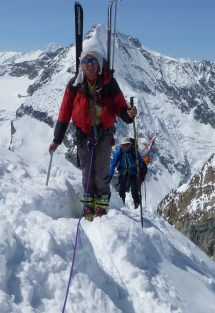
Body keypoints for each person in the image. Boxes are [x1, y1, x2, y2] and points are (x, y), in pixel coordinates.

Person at [49, 47, 138, 219]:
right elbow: (65, 112)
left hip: (103, 134)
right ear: (81, 64)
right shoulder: (74, 84)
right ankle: (89, 203)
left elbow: (121, 107)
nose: (89, 65)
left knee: (101, 169)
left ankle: (102, 204)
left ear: (99, 65)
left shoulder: (109, 84)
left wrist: (129, 115)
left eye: (93, 61)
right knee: (87, 170)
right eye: (86, 61)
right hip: (83, 134)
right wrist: (57, 139)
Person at [109, 137, 148, 209]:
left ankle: (137, 205)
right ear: (122, 146)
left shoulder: (134, 152)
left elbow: (140, 162)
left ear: (130, 145)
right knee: (122, 190)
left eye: (127, 145)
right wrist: (110, 174)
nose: (126, 146)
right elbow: (113, 164)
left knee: (134, 190)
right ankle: (122, 205)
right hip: (123, 173)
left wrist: (143, 167)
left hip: (132, 173)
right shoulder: (119, 152)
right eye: (124, 145)